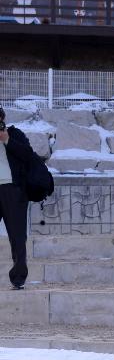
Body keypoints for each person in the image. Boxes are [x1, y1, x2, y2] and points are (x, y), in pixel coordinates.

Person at [0, 106, 38, 290]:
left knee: (17, 236)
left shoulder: (15, 134)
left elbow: (28, 156)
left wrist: (7, 141)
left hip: (13, 190)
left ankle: (18, 277)